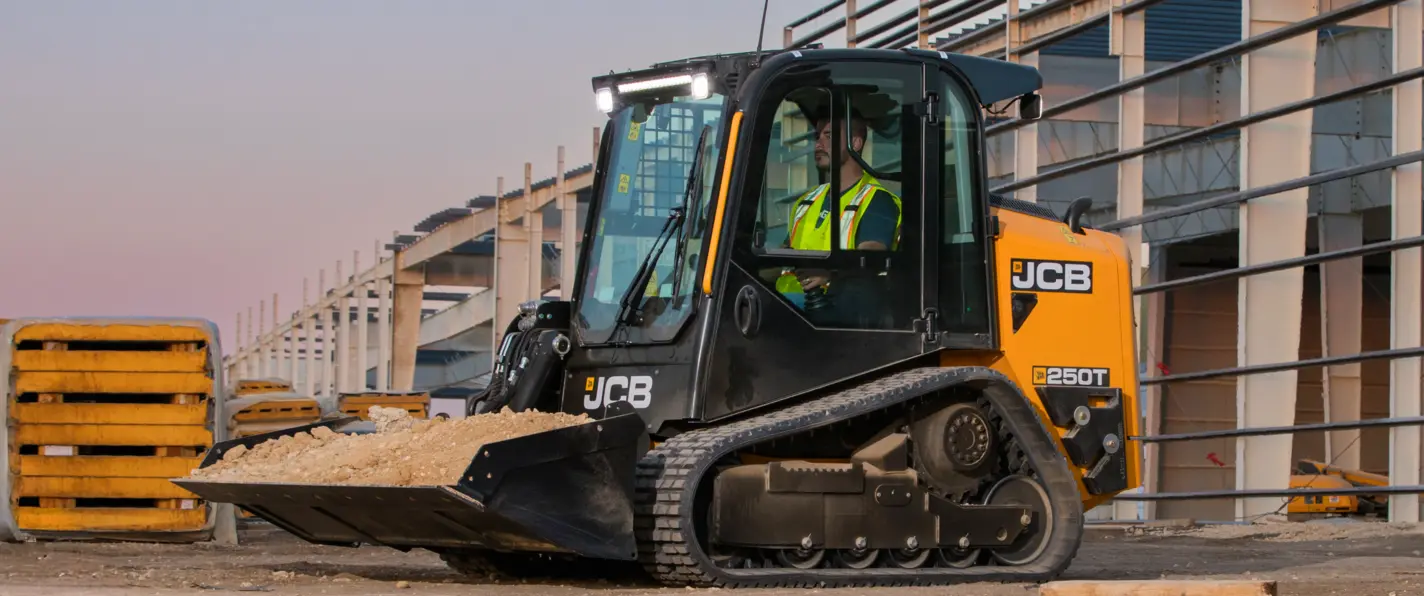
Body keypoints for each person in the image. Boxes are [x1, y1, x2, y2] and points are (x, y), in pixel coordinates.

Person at [775, 114, 902, 304]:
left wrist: (830, 274)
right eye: (817, 137)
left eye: (829, 136)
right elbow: (783, 254)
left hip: (838, 310)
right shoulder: (807, 200)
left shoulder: (877, 201)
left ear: (855, 143)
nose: (819, 144)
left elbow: (871, 258)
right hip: (787, 306)